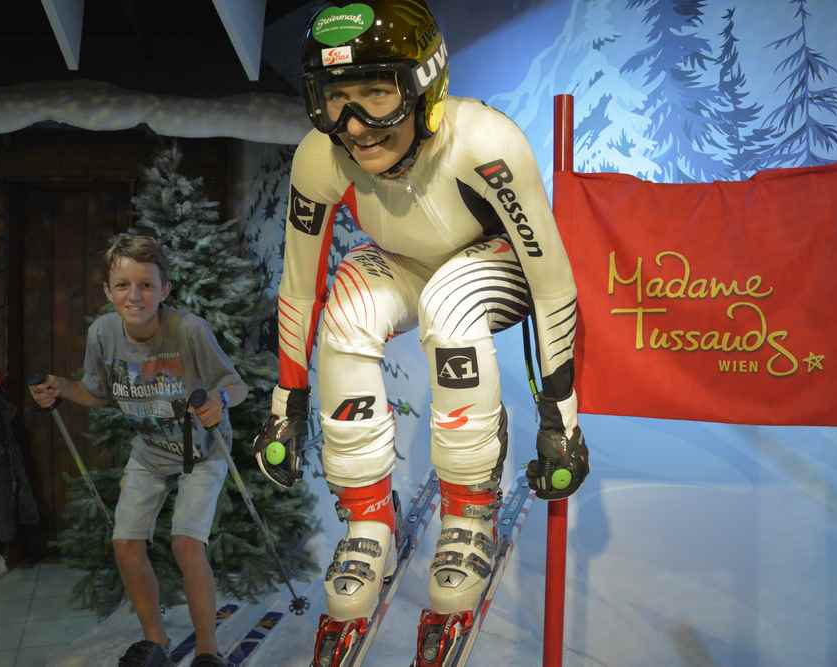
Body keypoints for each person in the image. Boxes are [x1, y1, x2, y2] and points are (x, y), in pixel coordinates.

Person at [252, 0, 591, 663]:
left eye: (377, 94)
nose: (356, 125)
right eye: (336, 99)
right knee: (347, 306)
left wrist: (563, 420)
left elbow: (551, 280)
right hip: (403, 263)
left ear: (424, 87)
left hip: (487, 262)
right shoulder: (321, 158)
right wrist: (285, 404)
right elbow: (301, 286)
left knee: (452, 300)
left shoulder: (484, 143)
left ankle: (469, 513)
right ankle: (368, 516)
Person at [29, 234, 248, 667]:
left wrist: (217, 402)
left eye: (147, 284)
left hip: (200, 454)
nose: (135, 295)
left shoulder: (188, 329)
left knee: (187, 543)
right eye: (124, 285)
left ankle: (208, 651)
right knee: (126, 544)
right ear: (108, 291)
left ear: (165, 289)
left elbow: (235, 385)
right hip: (148, 451)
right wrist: (62, 389)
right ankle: (156, 644)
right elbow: (97, 393)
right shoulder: (103, 333)